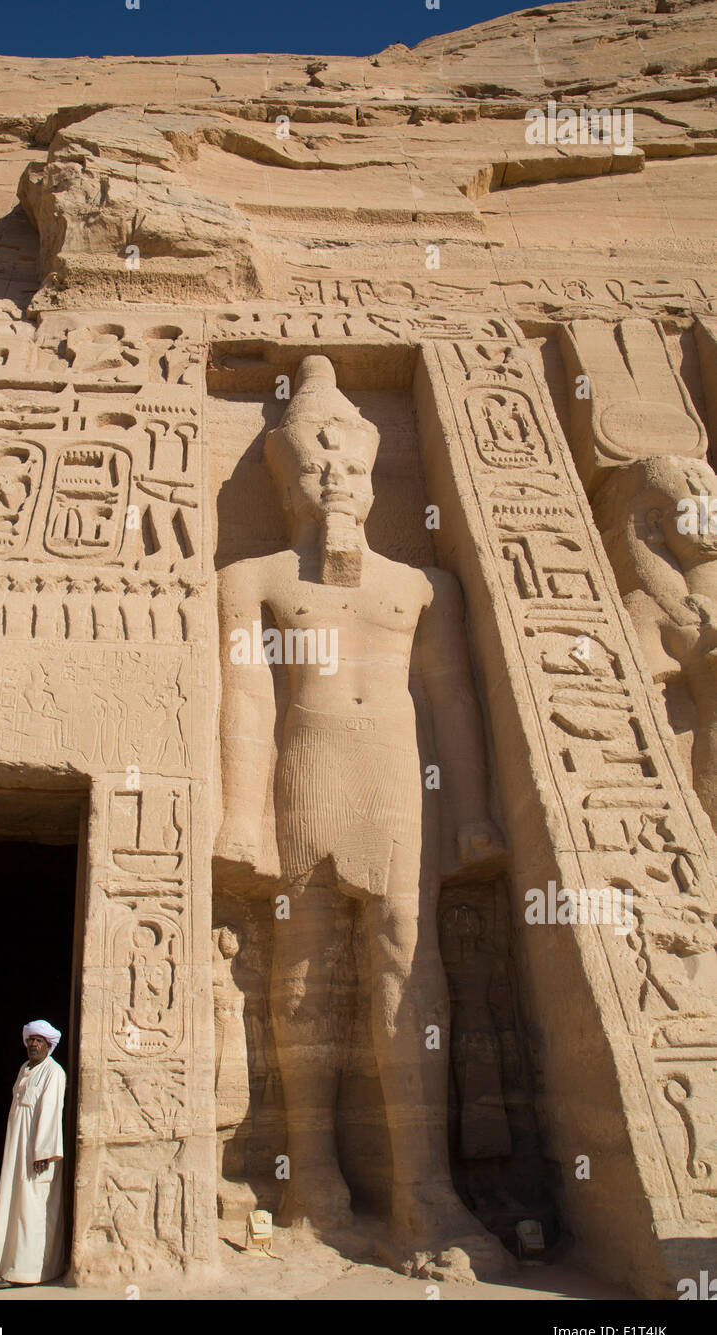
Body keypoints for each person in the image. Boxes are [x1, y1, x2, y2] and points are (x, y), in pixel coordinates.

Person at [215, 355, 508, 1278]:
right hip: (304, 775)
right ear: (286, 476)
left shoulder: (420, 587)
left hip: (395, 779)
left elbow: (455, 703)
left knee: (405, 963)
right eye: (313, 463)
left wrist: (472, 812)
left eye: (349, 464)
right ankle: (315, 1184)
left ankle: (425, 1192)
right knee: (301, 977)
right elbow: (246, 703)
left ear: (375, 477)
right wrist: (240, 819)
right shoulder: (253, 578)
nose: (333, 476)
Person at [0, 1019, 66, 1289]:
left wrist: (43, 1151)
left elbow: (51, 1111)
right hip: (17, 1151)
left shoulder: (54, 1072)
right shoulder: (25, 1069)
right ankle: (10, 1266)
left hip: (37, 1155)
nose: (33, 1044)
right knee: (15, 1206)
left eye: (39, 1041)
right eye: (31, 1040)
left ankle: (29, 1272)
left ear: (48, 1045)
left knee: (32, 1210)